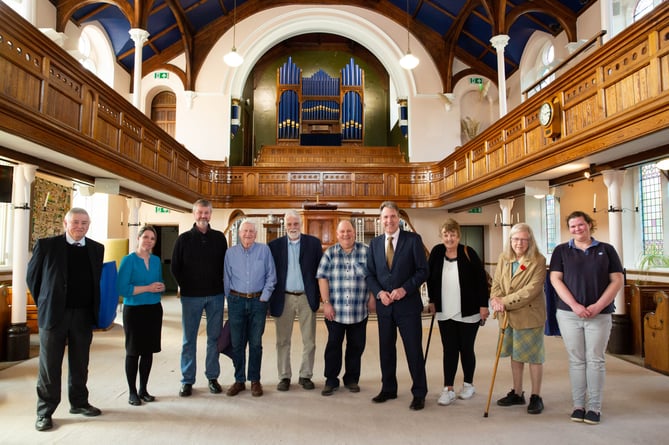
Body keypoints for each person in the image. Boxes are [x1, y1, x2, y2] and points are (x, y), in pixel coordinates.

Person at [27, 208, 105, 432]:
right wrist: (46, 302)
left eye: (84, 223)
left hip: (82, 315)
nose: (80, 226)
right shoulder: (47, 246)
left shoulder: (96, 249)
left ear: (89, 225)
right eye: (76, 222)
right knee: (49, 366)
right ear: (65, 223)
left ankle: (79, 402)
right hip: (54, 315)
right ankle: (45, 411)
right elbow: (33, 279)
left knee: (80, 364)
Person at [549, 211, 623, 425]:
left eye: (580, 225)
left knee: (596, 360)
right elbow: (556, 279)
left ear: (589, 225)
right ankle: (578, 405)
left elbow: (617, 280)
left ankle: (594, 407)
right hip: (568, 314)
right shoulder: (561, 250)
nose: (577, 229)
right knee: (577, 361)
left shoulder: (606, 249)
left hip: (600, 315)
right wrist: (575, 305)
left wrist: (598, 305)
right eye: (572, 226)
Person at [366, 201, 429, 410]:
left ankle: (419, 392)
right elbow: (370, 274)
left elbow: (422, 270)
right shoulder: (374, 244)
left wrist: (405, 289)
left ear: (398, 218)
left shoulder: (413, 240)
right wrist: (378, 292)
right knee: (386, 350)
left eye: (393, 216)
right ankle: (388, 389)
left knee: (413, 350)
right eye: (385, 217)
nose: (389, 220)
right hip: (385, 307)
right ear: (380, 220)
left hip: (408, 307)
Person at [426, 218, 489, 407]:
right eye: (446, 234)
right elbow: (430, 278)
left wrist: (483, 306)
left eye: (452, 234)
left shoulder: (468, 252)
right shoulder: (437, 252)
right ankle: (449, 389)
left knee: (466, 349)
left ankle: (468, 384)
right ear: (442, 236)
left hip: (468, 311)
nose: (449, 238)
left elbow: (481, 281)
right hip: (445, 311)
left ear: (458, 236)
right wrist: (431, 300)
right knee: (449, 349)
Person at [171, 199, 227, 397]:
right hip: (191, 298)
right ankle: (187, 380)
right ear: (194, 214)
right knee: (189, 339)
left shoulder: (220, 238)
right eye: (200, 212)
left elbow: (224, 266)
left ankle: (212, 377)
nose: (203, 216)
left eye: (207, 213)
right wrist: (186, 287)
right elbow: (175, 267)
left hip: (215, 296)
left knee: (214, 338)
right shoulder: (183, 239)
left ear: (211, 214)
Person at [489, 223, 547, 414]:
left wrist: (502, 301)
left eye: (523, 239)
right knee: (516, 355)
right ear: (510, 240)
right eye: (515, 239)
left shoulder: (538, 260)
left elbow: (531, 291)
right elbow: (496, 283)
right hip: (508, 316)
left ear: (530, 241)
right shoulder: (504, 258)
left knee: (533, 357)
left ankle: (536, 396)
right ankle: (517, 392)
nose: (519, 243)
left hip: (529, 315)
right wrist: (495, 299)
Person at [269, 210, 323, 391]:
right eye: (289, 224)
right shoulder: (274, 246)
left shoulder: (313, 244)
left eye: (296, 224)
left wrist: (323, 296)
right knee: (282, 340)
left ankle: (305, 375)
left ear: (301, 224)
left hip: (307, 297)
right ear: (285, 226)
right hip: (283, 297)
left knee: (310, 340)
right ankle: (284, 376)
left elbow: (320, 273)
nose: (293, 227)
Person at [316, 220, 371, 396]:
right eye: (342, 232)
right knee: (333, 346)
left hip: (358, 310)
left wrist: (371, 298)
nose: (346, 234)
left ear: (354, 233)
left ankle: (352, 378)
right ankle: (331, 380)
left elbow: (374, 276)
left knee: (356, 346)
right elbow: (322, 278)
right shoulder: (330, 253)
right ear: (337, 234)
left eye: (349, 231)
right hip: (335, 312)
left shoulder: (366, 252)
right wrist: (326, 303)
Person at [224, 220, 277, 397]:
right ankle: (239, 380)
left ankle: (255, 380)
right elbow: (226, 278)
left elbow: (271, 276)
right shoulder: (230, 253)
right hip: (236, 301)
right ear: (239, 234)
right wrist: (230, 299)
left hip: (257, 302)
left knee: (255, 343)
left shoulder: (264, 250)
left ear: (256, 234)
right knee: (237, 343)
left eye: (251, 231)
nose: (248, 234)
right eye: (245, 231)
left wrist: (265, 297)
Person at [117, 225, 165, 406]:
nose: (149, 241)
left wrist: (159, 286)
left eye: (152, 239)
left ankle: (144, 389)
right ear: (138, 238)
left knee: (148, 352)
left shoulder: (155, 260)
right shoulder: (128, 260)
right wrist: (148, 288)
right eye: (146, 237)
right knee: (133, 351)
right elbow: (122, 289)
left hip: (153, 309)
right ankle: (132, 392)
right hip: (134, 311)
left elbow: (158, 282)